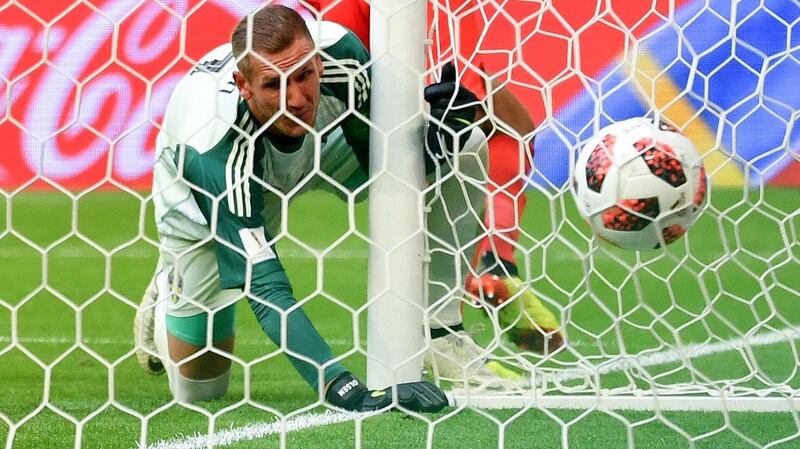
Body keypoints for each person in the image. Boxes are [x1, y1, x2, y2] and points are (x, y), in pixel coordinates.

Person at [130, 4, 482, 411]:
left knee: (466, 146)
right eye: (274, 85)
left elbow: (377, 161)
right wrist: (342, 388)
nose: (295, 99)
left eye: (303, 76)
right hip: (207, 206)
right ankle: (168, 283)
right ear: (243, 85)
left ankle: (440, 332)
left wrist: (433, 142)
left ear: (318, 60)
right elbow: (264, 287)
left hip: (316, 149)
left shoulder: (345, 58)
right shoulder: (213, 144)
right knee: (201, 392)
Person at [306, 0, 564, 371]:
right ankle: (471, 290)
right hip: (329, 102)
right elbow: (462, 101)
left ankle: (486, 275)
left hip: (304, 75)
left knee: (503, 125)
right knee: (469, 135)